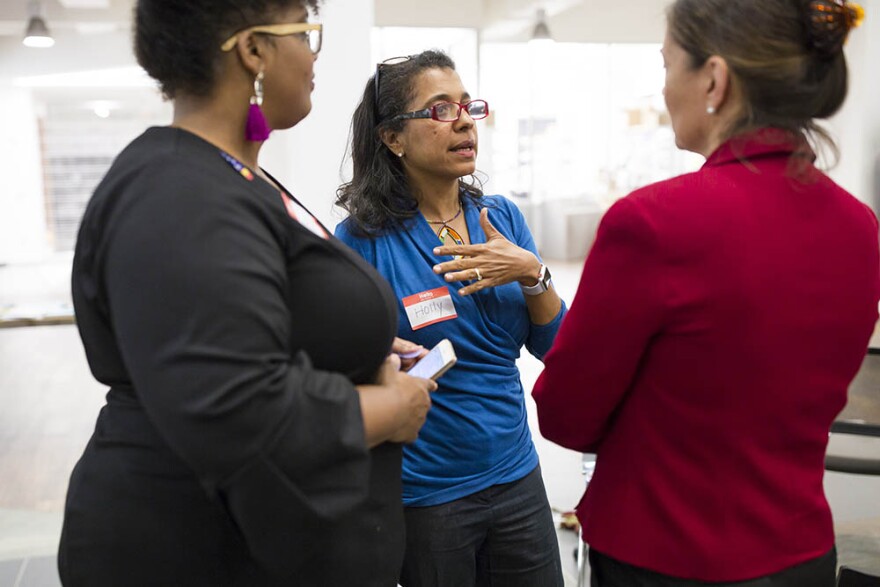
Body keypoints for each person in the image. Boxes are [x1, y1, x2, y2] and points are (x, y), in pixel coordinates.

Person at [58, 1, 436, 585]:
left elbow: (245, 318)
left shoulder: (233, 174)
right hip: (194, 545)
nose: (314, 57)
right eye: (308, 35)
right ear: (254, 49)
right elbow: (233, 407)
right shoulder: (180, 194)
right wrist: (392, 409)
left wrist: (354, 347)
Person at [532, 0, 878, 585]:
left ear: (714, 79)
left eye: (667, 66)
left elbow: (566, 416)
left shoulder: (653, 223)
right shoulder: (859, 226)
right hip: (801, 557)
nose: (663, 89)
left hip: (667, 559)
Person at [335, 50, 566, 587]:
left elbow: (554, 347)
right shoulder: (361, 243)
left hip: (517, 474)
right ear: (393, 138)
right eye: (440, 110)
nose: (464, 120)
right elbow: (347, 369)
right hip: (429, 496)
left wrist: (532, 272)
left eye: (467, 106)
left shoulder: (501, 218)